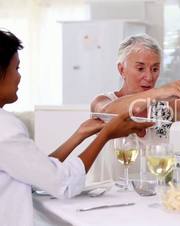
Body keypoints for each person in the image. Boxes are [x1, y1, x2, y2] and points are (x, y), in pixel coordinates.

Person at [0, 29, 153, 226]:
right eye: (17, 68)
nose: (19, 77)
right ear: (121, 70)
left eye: (155, 68)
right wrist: (105, 135)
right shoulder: (5, 127)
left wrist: (78, 135)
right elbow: (62, 183)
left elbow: (36, 173)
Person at [91, 33, 180, 122]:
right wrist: (159, 92)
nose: (150, 77)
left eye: (155, 69)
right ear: (121, 70)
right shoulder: (103, 101)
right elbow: (107, 112)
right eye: (140, 68)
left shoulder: (162, 107)